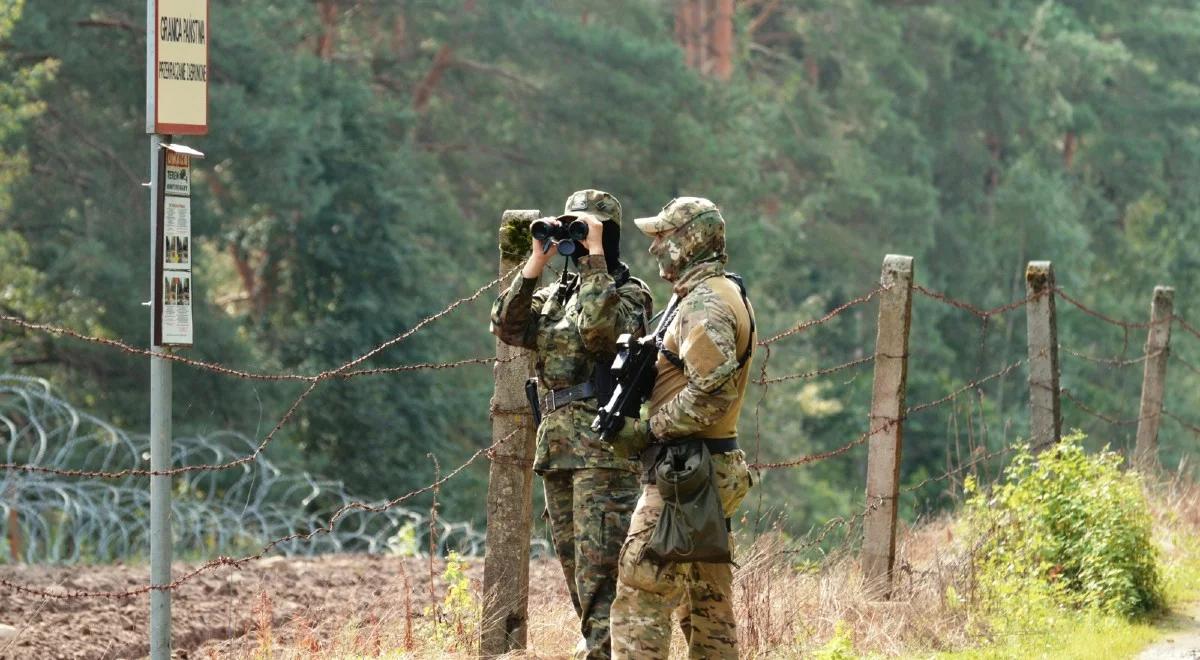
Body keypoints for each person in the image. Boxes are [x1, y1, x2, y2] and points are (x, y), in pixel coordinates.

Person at [490, 189, 653, 659]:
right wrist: (534, 262)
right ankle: (599, 650)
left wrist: (595, 259)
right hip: (558, 448)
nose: (576, 239)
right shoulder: (554, 295)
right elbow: (506, 326)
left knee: (602, 580)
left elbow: (603, 337)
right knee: (576, 577)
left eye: (585, 229)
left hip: (603, 450)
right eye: (572, 229)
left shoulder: (627, 291)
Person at [608, 197, 757, 660]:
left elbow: (713, 394)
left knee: (641, 594)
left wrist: (650, 429)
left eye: (663, 238)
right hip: (705, 468)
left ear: (689, 242)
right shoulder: (712, 293)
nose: (654, 250)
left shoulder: (706, 304)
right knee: (706, 604)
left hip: (687, 474)